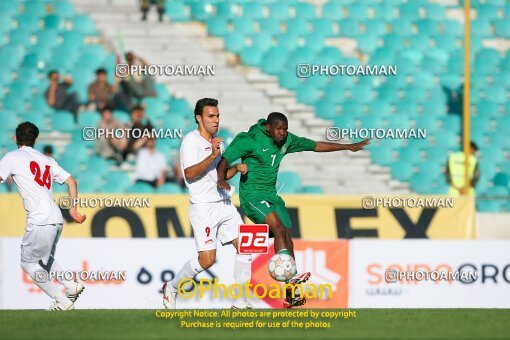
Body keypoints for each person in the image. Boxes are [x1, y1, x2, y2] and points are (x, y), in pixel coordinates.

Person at [217, 112, 369, 308]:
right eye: (279, 129)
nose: (283, 133)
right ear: (268, 128)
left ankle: (291, 294)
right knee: (279, 229)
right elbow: (224, 160)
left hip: (272, 197)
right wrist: (221, 179)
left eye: (285, 129)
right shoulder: (249, 140)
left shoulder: (287, 140)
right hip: (253, 197)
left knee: (287, 235)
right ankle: (289, 277)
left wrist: (348, 147)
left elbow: (315, 146)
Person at [162, 98, 252, 309]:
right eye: (211, 116)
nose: (216, 120)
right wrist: (212, 154)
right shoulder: (190, 141)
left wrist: (236, 169)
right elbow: (190, 173)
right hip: (203, 207)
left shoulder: (217, 144)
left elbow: (218, 175)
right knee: (207, 260)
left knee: (246, 247)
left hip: (224, 203)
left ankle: (239, 301)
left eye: (218, 116)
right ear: (199, 118)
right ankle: (172, 287)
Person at [0, 122, 86, 311]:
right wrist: (73, 209)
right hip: (56, 218)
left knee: (28, 263)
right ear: (36, 140)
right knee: (43, 259)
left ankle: (61, 299)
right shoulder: (47, 159)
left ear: (16, 138)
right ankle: (71, 285)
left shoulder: (12, 157)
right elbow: (71, 181)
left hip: (39, 219)